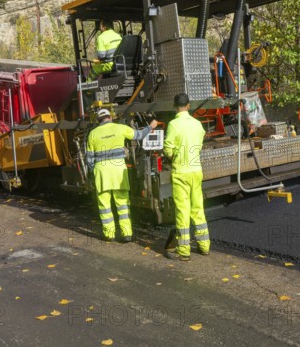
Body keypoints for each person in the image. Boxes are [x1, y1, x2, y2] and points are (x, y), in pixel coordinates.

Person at [86, 108, 158, 242]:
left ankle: (109, 235)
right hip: (118, 171)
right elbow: (138, 135)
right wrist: (150, 126)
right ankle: (126, 234)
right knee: (123, 203)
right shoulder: (120, 128)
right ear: (111, 117)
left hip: (102, 173)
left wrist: (92, 172)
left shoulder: (92, 134)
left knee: (104, 206)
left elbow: (89, 159)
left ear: (98, 120)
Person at [163, 93, 210, 261]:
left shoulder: (173, 125)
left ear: (175, 106)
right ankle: (204, 246)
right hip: (196, 170)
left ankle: (184, 251)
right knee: (198, 208)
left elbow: (168, 148)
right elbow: (199, 144)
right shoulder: (198, 124)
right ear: (189, 106)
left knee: (183, 210)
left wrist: (173, 156)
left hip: (181, 172)